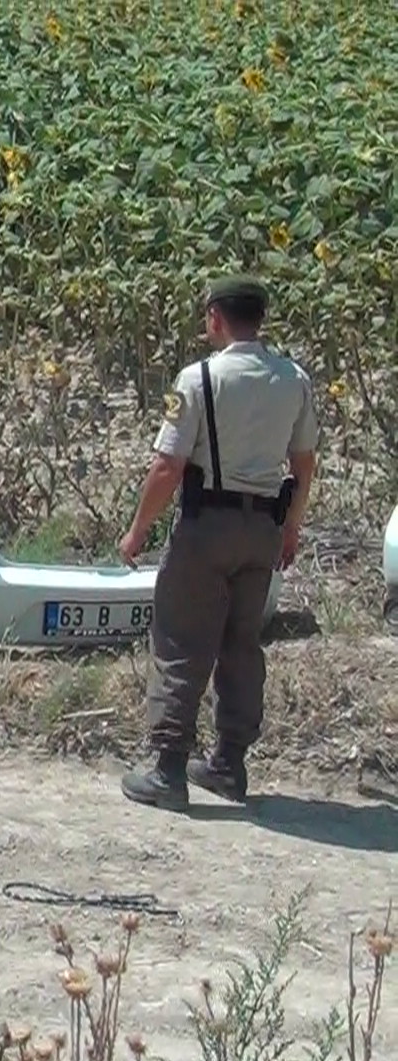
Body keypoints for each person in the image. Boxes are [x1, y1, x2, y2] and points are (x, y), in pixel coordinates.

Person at [117, 274, 319, 812]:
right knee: (242, 643)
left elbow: (167, 466)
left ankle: (167, 768)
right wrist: (292, 527)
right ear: (261, 318)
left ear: (214, 317)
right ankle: (230, 762)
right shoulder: (293, 379)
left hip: (207, 525)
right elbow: (303, 464)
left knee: (182, 639)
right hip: (263, 530)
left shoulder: (198, 379)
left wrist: (138, 529)